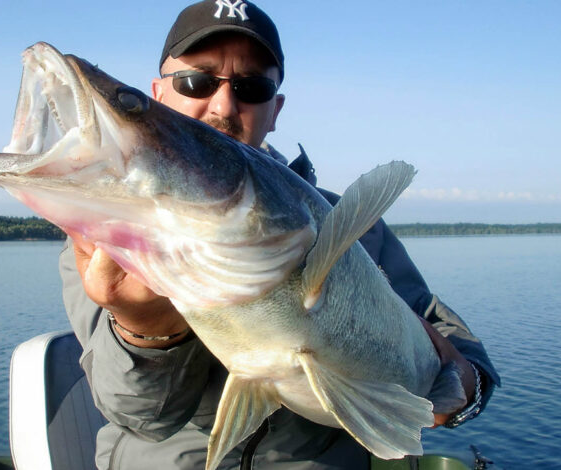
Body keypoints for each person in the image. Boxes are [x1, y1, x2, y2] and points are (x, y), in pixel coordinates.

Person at [59, 1, 500, 469]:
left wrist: (461, 388)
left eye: (252, 86)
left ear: (275, 109)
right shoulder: (105, 240)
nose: (224, 104)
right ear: (159, 94)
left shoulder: (352, 224)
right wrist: (144, 333)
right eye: (197, 81)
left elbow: (450, 340)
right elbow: (139, 416)